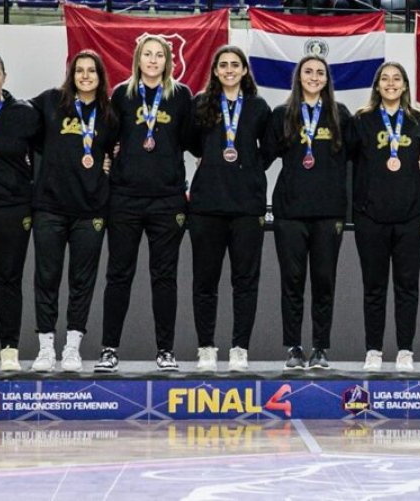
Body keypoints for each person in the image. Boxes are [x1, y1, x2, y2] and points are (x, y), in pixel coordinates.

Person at [96, 35, 194, 373]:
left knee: (164, 277)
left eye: (159, 55)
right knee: (118, 275)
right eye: (147, 55)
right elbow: (106, 138)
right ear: (137, 59)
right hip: (125, 197)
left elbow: (193, 141)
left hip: (167, 199)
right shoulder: (122, 94)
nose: (153, 60)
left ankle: (165, 350)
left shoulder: (181, 96)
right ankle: (109, 349)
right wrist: (108, 162)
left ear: (168, 61)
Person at [30, 50, 117, 373]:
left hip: (90, 210)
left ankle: (71, 347)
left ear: (99, 76)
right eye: (78, 70)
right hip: (50, 207)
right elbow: (18, 119)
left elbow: (120, 150)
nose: (84, 76)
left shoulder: (110, 113)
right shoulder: (51, 101)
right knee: (47, 278)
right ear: (71, 74)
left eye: (90, 71)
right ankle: (45, 347)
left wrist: (109, 161)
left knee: (82, 281)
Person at [265, 55, 353, 370]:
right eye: (308, 72)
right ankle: (294, 347)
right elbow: (259, 156)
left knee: (324, 281)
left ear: (327, 79)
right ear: (298, 78)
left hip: (329, 213)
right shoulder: (282, 115)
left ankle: (320, 348)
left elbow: (364, 153)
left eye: (320, 73)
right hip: (289, 212)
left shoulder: (340, 114)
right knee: (292, 281)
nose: (314, 77)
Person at [189, 46, 273, 373]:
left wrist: (249, 168)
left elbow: (267, 150)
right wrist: (212, 158)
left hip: (246, 206)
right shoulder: (201, 104)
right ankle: (206, 347)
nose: (228, 70)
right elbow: (191, 141)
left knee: (245, 281)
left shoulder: (258, 107)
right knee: (205, 282)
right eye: (222, 64)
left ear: (244, 71)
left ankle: (240, 348)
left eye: (234, 65)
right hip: (207, 205)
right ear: (215, 71)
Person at [352, 62, 420, 372]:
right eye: (384, 79)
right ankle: (373, 350)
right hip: (370, 217)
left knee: (407, 286)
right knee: (374, 287)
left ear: (405, 85)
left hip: (410, 218)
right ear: (376, 85)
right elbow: (347, 159)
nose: (390, 83)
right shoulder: (362, 121)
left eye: (396, 79)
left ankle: (405, 351)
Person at [0, 51, 39, 371]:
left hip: (12, 208)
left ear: (4, 77)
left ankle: (9, 351)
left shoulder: (24, 113)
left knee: (8, 281)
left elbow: (50, 153)